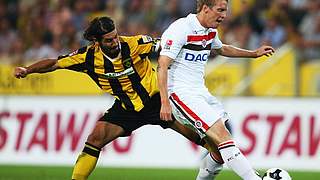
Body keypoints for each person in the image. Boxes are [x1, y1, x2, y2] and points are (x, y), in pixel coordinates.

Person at [13, 16, 220, 180]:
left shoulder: (136, 43)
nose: (115, 42)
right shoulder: (87, 57)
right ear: (97, 42)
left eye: (116, 36)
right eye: (109, 40)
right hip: (126, 108)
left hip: (156, 101)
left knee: (202, 138)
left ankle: (226, 162)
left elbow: (169, 47)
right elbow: (54, 63)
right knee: (95, 138)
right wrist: (27, 70)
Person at [157, 0, 275, 180]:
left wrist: (253, 53)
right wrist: (165, 102)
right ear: (205, 8)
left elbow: (221, 49)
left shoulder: (210, 30)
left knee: (219, 152)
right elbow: (162, 65)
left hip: (201, 93)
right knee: (222, 136)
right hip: (180, 94)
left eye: (225, 11)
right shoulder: (181, 28)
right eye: (220, 10)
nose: (224, 15)